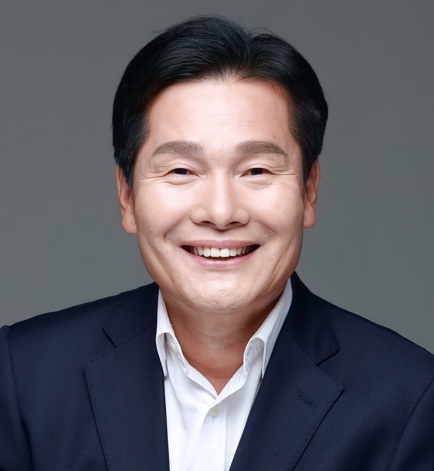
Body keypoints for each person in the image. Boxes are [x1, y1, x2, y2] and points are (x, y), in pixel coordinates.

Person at [1, 15, 433, 471]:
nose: (221, 212)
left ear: (309, 191)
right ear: (127, 196)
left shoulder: (411, 399)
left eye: (256, 170)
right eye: (181, 171)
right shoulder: (24, 378)